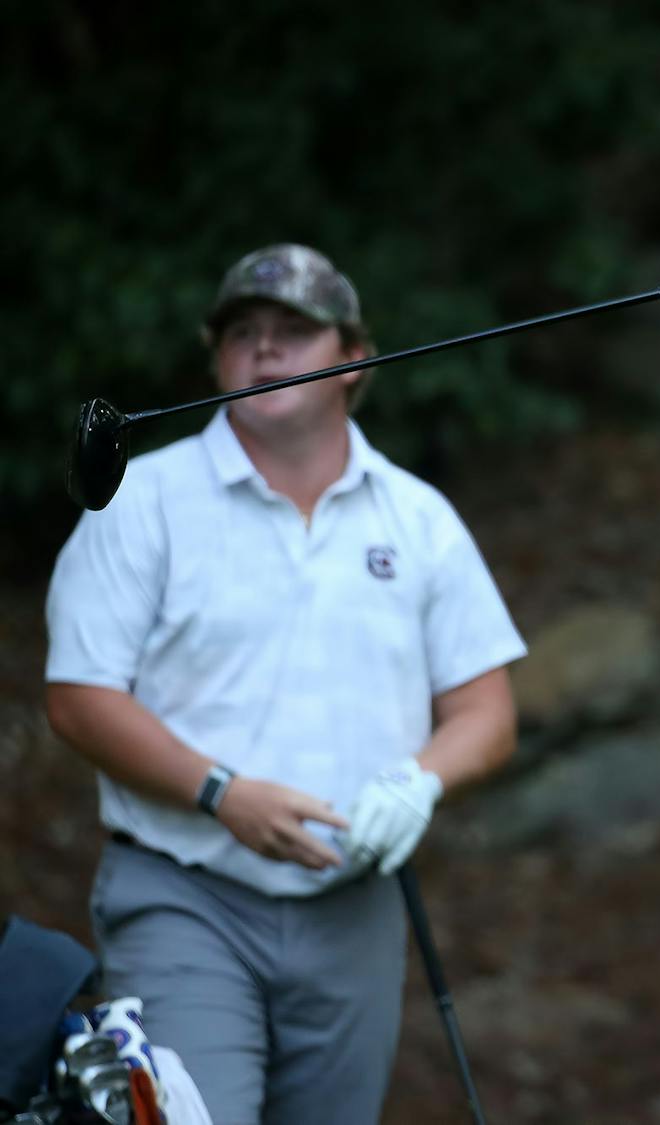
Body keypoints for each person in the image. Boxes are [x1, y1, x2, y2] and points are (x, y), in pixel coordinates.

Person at [44, 244, 527, 1125]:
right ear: (216, 358)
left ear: (354, 357)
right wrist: (220, 792)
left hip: (355, 908)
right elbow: (79, 696)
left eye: (294, 330)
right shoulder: (142, 501)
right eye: (244, 333)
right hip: (182, 893)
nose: (265, 348)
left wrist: (421, 779)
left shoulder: (416, 518)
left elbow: (485, 713)